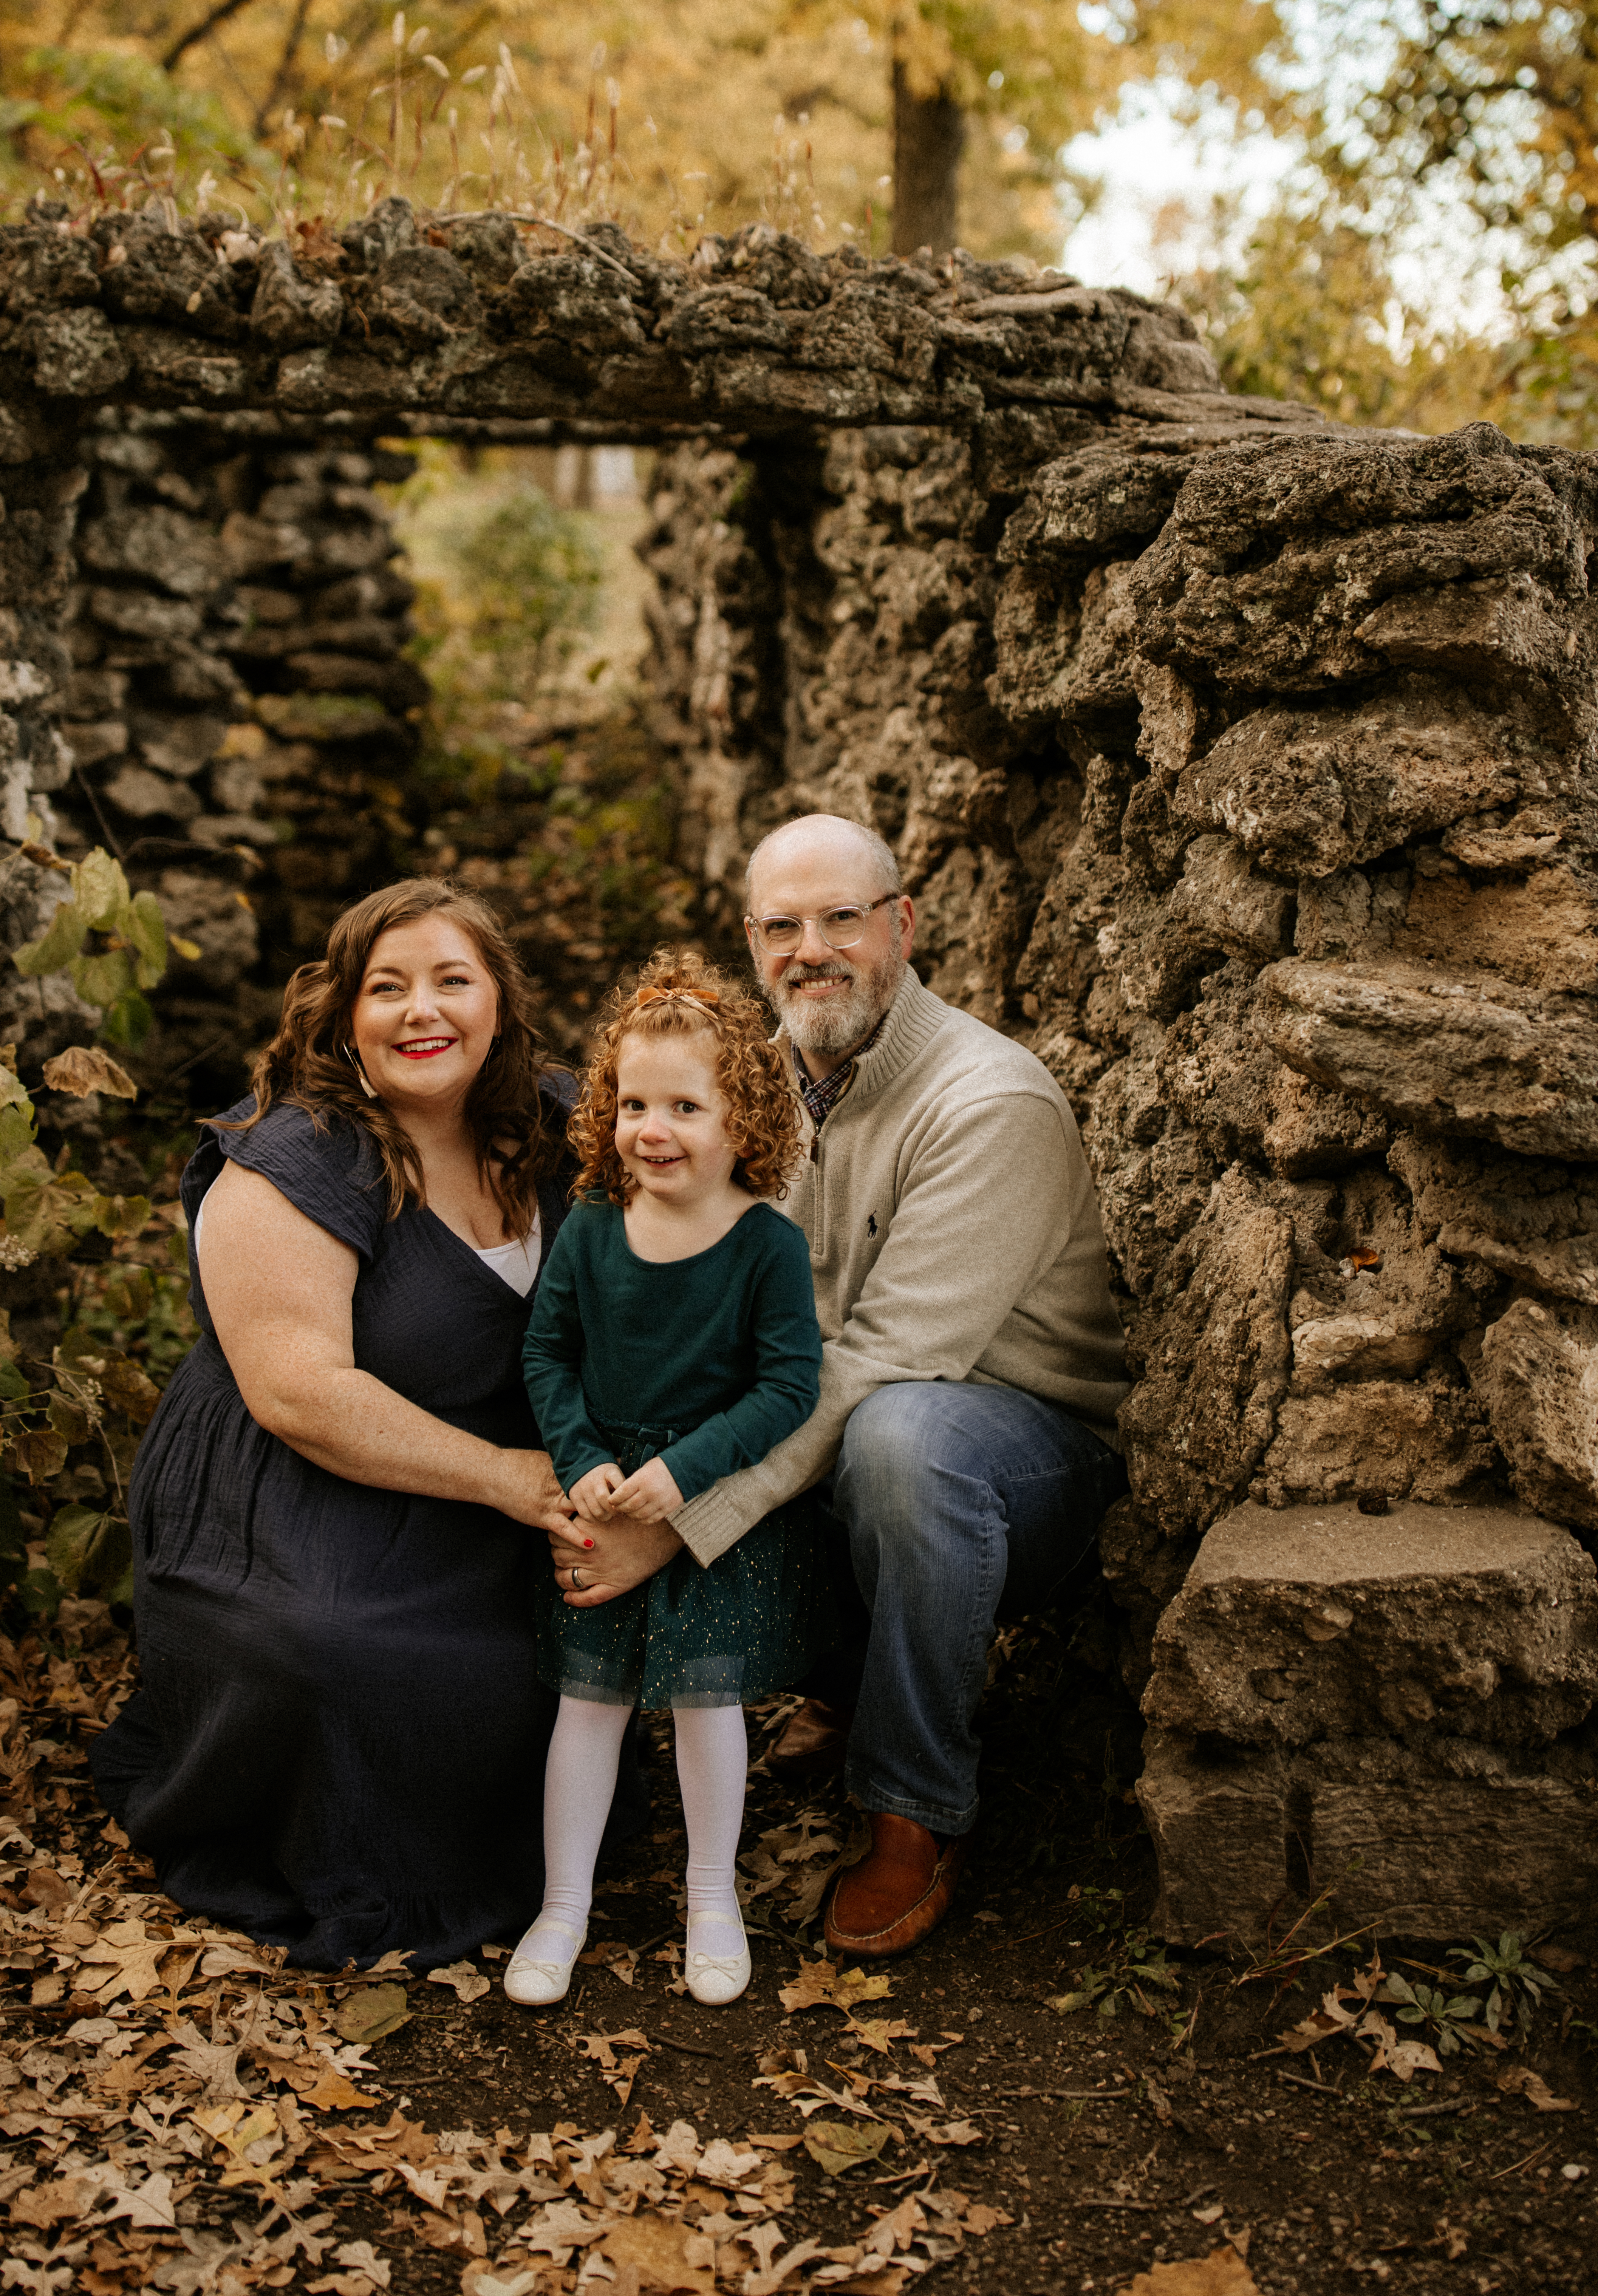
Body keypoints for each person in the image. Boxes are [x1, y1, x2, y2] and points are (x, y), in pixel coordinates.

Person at [547, 815, 1130, 1962]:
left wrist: (676, 1523)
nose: (809, 948)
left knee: (899, 1440)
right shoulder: (741, 1089)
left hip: (1008, 1447)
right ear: (753, 943)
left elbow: (879, 1362)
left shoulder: (985, 1100)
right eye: (780, 926)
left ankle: (914, 1809)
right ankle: (843, 1674)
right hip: (828, 1417)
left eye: (841, 919)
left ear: (901, 925)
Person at [91, 878, 591, 1969]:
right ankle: (336, 1863)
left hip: (482, 1480)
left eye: (452, 980)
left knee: (552, 1652)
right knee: (335, 1653)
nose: (424, 1010)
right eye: (389, 987)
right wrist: (518, 1481)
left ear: (499, 1001)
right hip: (292, 1479)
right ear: (344, 1016)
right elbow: (298, 1391)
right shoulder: (297, 1155)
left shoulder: (565, 1122)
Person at [507, 953, 828, 2009]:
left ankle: (709, 1895)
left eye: (686, 1105)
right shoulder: (593, 1227)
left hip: (698, 1505)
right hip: (605, 1491)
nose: (655, 1128)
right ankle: (563, 1903)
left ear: (744, 1120)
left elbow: (788, 1386)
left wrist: (684, 1471)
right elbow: (546, 1353)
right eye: (635, 1102)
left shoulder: (765, 1248)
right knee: (586, 1705)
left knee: (706, 1705)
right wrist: (583, 1457)